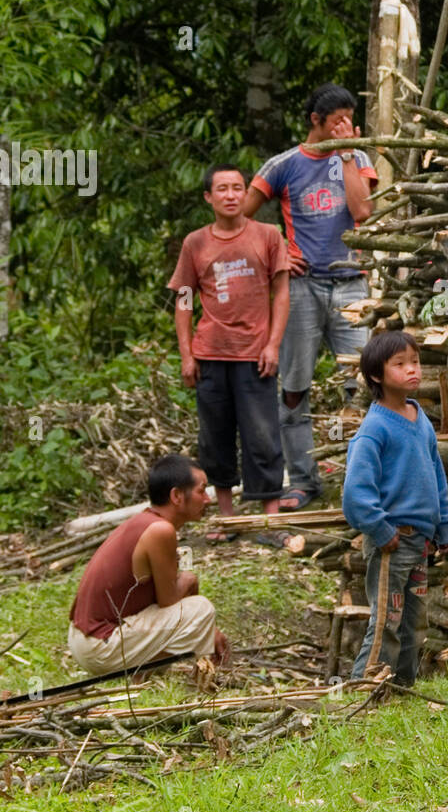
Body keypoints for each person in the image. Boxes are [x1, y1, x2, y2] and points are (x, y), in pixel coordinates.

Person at [242, 83, 378, 511]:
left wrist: (348, 154)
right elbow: (239, 216)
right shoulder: (283, 165)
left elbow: (362, 213)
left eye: (349, 118)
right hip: (300, 288)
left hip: (352, 282)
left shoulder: (358, 157)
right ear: (315, 122)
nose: (344, 125)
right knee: (294, 389)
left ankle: (364, 480)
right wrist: (276, 252)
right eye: (336, 120)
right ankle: (303, 481)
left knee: (363, 384)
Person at [169, 164, 290, 541]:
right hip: (211, 354)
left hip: (255, 355)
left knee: (263, 435)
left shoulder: (268, 236)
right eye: (222, 189)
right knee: (215, 437)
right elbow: (184, 299)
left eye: (238, 187)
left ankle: (269, 520)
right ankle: (227, 518)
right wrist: (187, 355)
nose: (232, 195)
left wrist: (272, 344)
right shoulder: (196, 244)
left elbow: (282, 293)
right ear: (209, 197)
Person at [341, 331, 448, 687]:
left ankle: (403, 686)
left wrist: (445, 526)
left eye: (416, 362)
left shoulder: (419, 418)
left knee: (414, 620)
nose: (412, 370)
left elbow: (436, 475)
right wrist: (381, 530)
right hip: (393, 541)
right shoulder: (374, 428)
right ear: (376, 375)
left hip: (420, 541)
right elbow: (356, 493)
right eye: (400, 364)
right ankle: (366, 687)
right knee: (386, 619)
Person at [68, 455, 227, 675]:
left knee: (190, 592)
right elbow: (168, 600)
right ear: (177, 496)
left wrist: (210, 629)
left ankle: (147, 676)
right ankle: (196, 674)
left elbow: (161, 598)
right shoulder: (160, 530)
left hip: (86, 639)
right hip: (99, 646)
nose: (208, 499)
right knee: (201, 609)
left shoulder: (145, 521)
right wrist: (191, 584)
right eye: (202, 491)